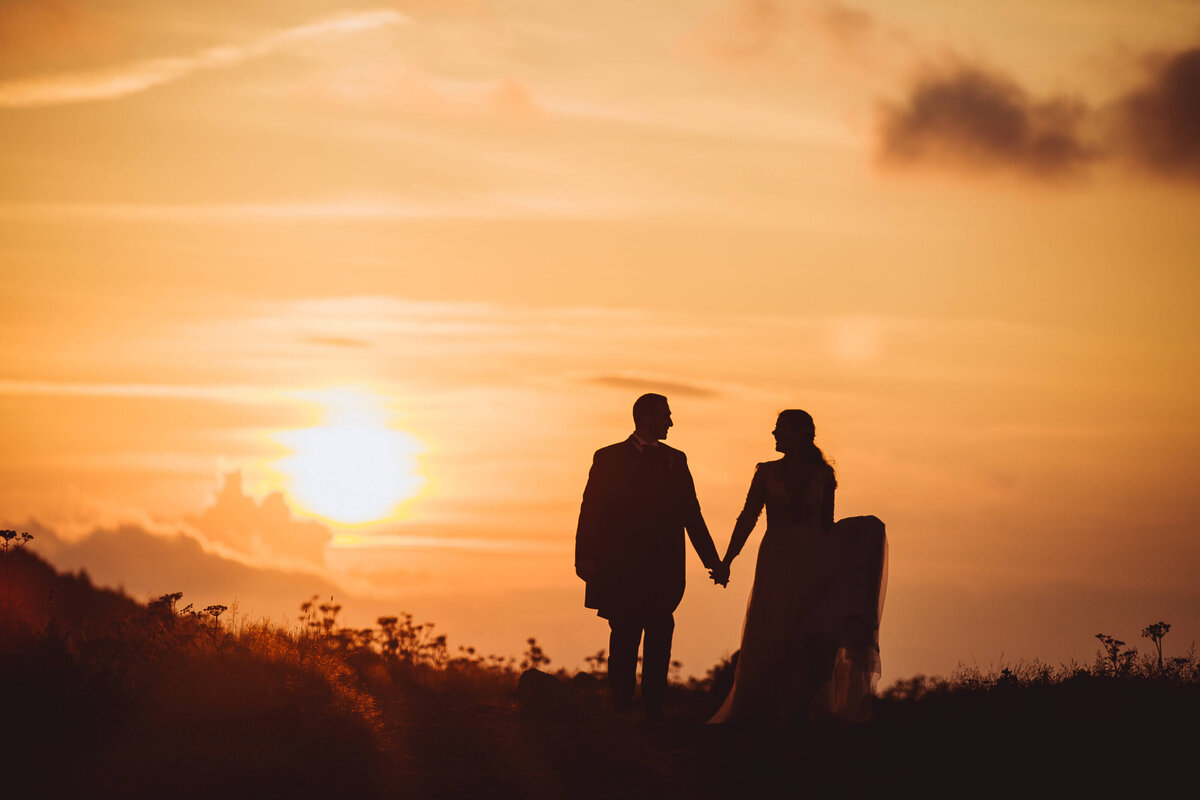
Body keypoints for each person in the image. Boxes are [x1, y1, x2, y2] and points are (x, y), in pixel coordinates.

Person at [709, 410, 887, 725]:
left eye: (780, 429)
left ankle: (796, 707)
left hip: (813, 564)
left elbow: (826, 526)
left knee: (806, 635)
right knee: (770, 632)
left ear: (799, 432)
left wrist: (863, 535)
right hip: (775, 563)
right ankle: (764, 707)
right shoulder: (765, 473)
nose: (774, 434)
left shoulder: (824, 475)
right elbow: (748, 518)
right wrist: (727, 560)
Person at [575, 393, 727, 718]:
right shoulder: (608, 458)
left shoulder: (677, 460)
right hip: (620, 567)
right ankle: (620, 706)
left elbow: (692, 515)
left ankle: (654, 709)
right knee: (624, 636)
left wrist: (712, 561)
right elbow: (591, 510)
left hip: (664, 568)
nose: (670, 422)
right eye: (665, 416)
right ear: (645, 418)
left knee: (660, 635)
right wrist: (584, 556)